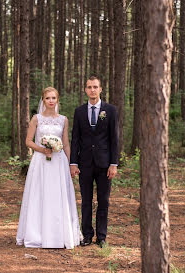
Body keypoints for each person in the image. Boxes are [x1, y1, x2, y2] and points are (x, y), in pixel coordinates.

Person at [16, 87, 82, 249]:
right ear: (43, 100)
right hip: (41, 162)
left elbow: (66, 143)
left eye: (53, 98)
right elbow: (28, 141)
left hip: (58, 163)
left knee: (57, 195)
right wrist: (42, 149)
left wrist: (71, 164)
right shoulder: (36, 119)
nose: (51, 101)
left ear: (57, 100)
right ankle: (37, 234)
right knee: (40, 195)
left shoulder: (63, 120)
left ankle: (59, 235)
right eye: (47, 98)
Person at [70, 76, 119, 248]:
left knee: (103, 201)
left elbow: (115, 139)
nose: (92, 90)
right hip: (84, 164)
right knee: (86, 201)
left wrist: (114, 163)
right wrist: (73, 163)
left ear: (100, 89)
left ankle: (102, 237)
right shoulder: (79, 111)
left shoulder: (110, 110)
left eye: (95, 87)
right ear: (85, 89)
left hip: (104, 164)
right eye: (89, 87)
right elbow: (75, 138)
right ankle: (87, 235)